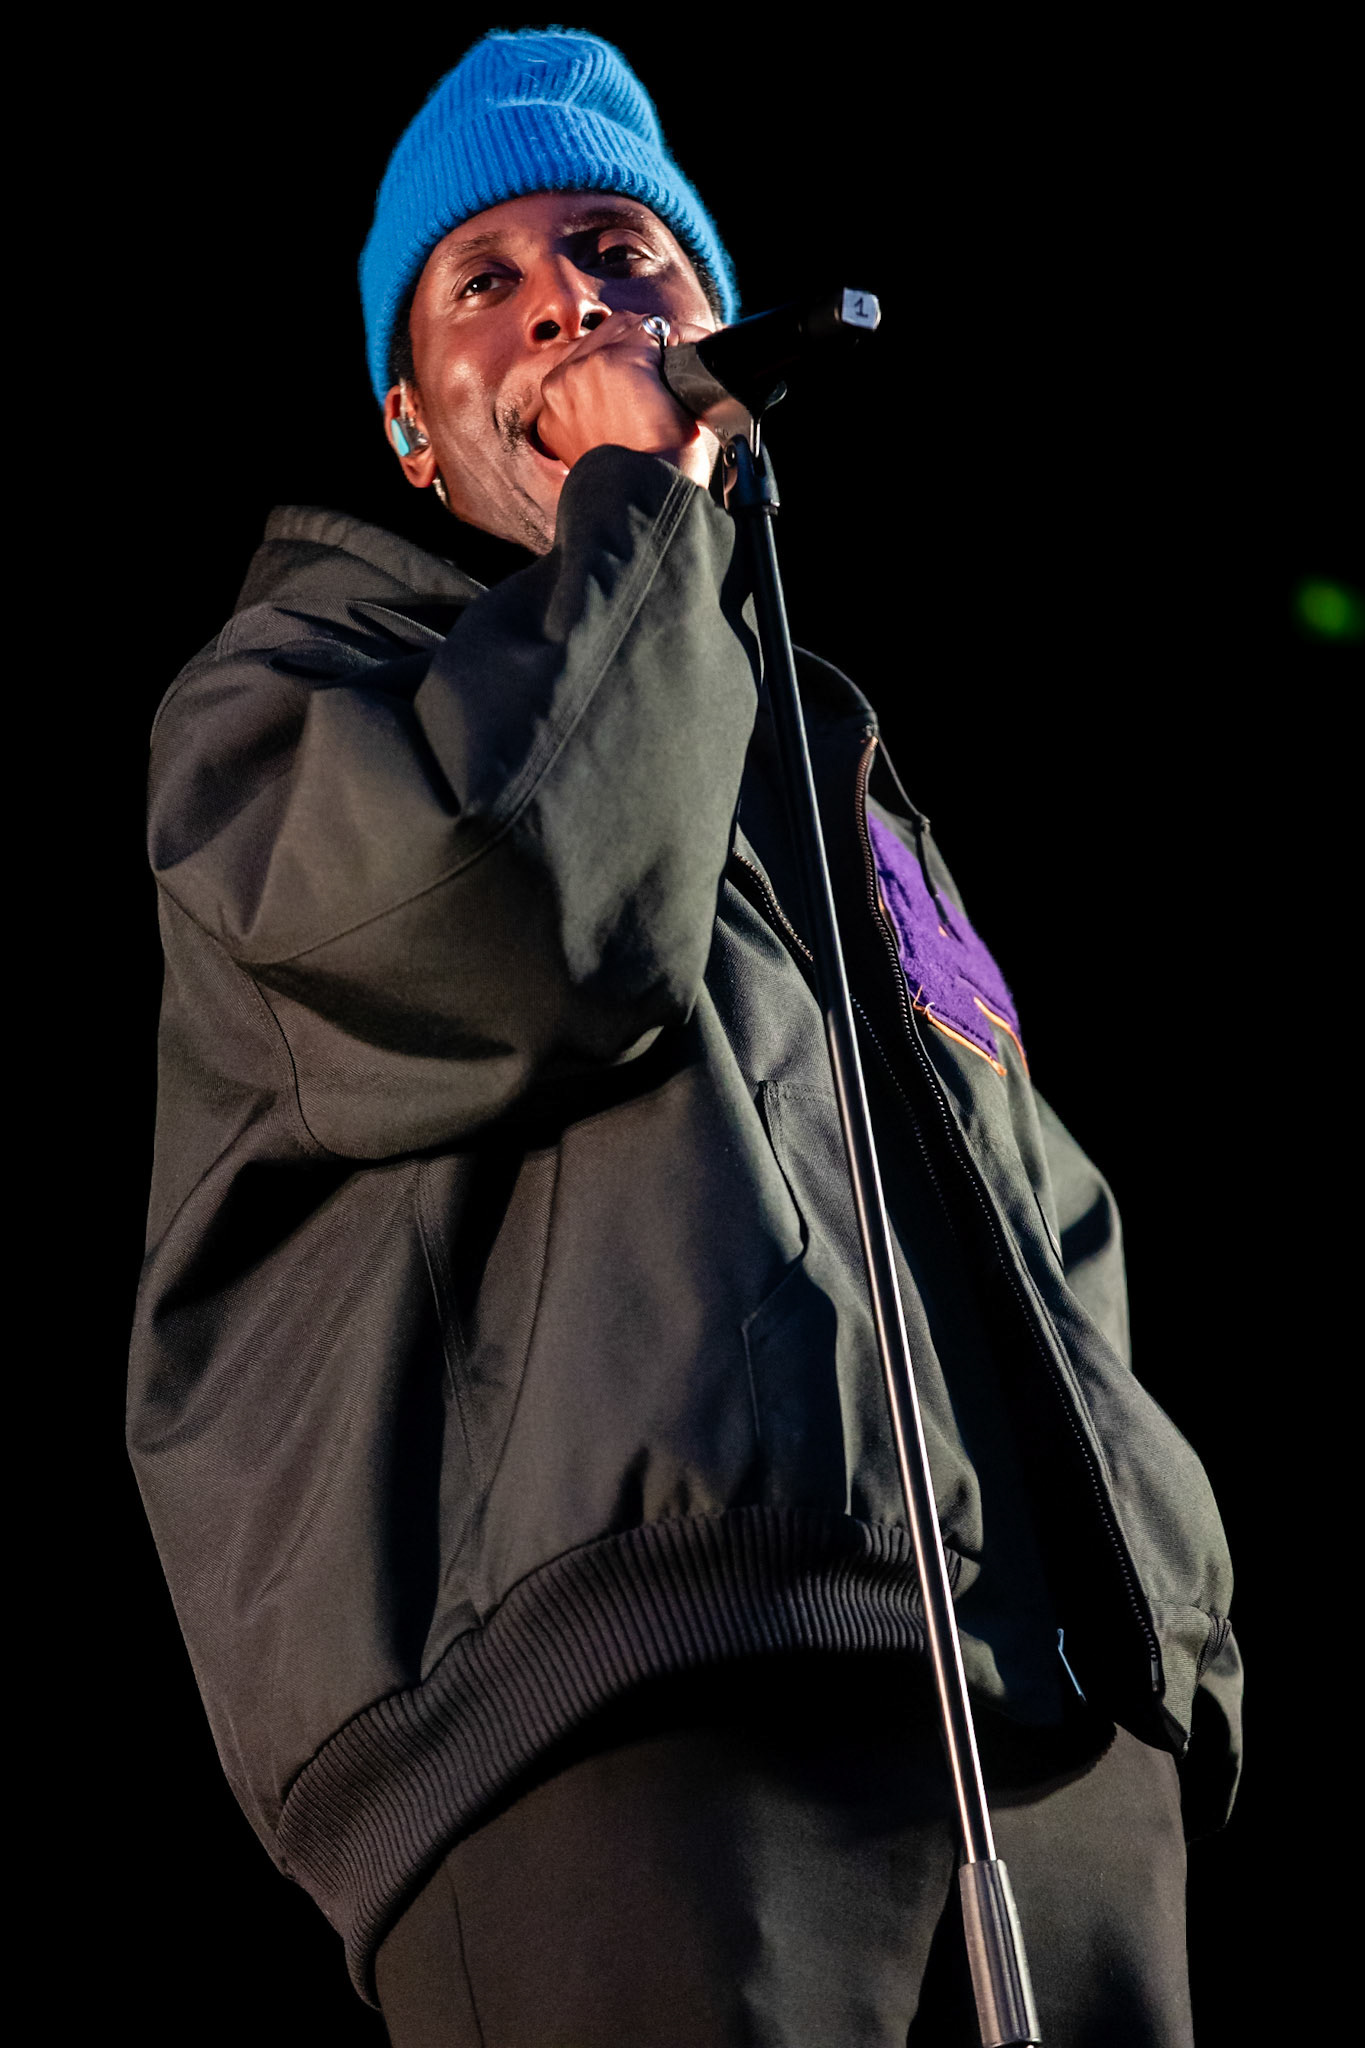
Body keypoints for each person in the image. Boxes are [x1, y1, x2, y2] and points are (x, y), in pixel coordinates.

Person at [128, 28, 1241, 2047]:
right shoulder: (298, 688)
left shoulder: (825, 754)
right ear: (406, 417)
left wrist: (1160, 1636)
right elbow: (520, 922)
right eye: (486, 279)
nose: (567, 294)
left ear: (712, 322)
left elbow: (1037, 1208)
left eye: (619, 245)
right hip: (631, 1720)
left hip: (1037, 1724)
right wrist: (637, 497)